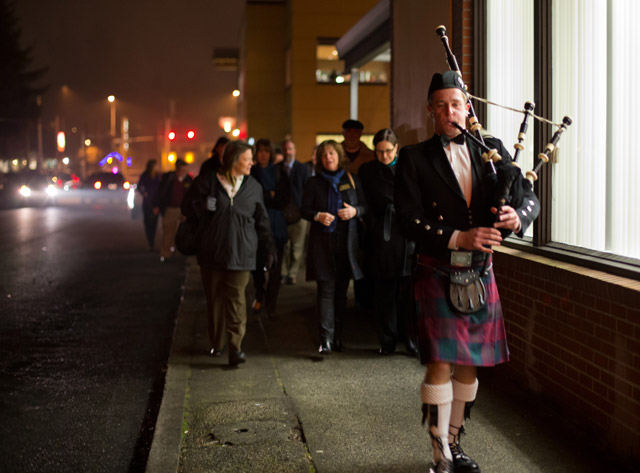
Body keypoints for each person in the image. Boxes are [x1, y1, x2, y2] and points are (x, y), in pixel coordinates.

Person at [394, 71, 539, 473]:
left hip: (480, 271)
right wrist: (459, 237)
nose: (449, 111)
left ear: (467, 107)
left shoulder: (489, 148)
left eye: (455, 104)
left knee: (470, 361)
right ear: (430, 112)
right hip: (438, 267)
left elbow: (530, 199)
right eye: (440, 105)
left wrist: (515, 217)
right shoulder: (414, 157)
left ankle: (454, 441)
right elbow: (407, 220)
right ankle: (439, 449)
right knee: (441, 360)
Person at [181, 141, 276, 367]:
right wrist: (202, 205)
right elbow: (186, 207)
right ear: (234, 160)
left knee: (236, 300)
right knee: (215, 300)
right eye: (247, 158)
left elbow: (262, 221)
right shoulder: (207, 181)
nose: (252, 162)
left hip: (242, 253)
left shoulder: (253, 186)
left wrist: (269, 247)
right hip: (212, 252)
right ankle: (217, 342)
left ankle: (235, 347)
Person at [301, 140, 367, 354]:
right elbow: (304, 210)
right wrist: (317, 216)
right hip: (322, 245)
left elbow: (365, 207)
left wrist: (355, 211)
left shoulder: (352, 179)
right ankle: (326, 339)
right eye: (324, 155)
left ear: (339, 156)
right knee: (326, 291)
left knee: (341, 294)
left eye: (331, 153)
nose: (328, 157)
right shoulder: (313, 183)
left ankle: (338, 337)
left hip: (346, 245)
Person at [358, 128, 417, 357]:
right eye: (379, 152)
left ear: (397, 148)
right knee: (384, 293)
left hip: (406, 233)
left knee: (408, 294)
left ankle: (411, 340)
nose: (384, 156)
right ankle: (387, 340)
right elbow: (365, 201)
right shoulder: (368, 171)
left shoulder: (408, 167)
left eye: (388, 151)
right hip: (382, 234)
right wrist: (373, 225)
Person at [250, 139, 290, 317]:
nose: (263, 155)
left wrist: (270, 196)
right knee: (257, 264)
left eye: (266, 151)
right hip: (256, 224)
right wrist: (269, 194)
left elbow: (284, 198)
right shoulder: (251, 172)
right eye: (259, 151)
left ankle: (271, 303)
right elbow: (253, 199)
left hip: (277, 223)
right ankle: (260, 293)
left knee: (276, 265)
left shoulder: (279, 172)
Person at [280, 139, 311, 285]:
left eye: (291, 149)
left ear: (295, 150)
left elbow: (308, 190)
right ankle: (284, 272)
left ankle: (292, 274)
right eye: (286, 149)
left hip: (300, 213)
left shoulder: (303, 168)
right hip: (282, 214)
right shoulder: (277, 168)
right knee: (284, 245)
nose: (288, 152)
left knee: (297, 247)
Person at [153, 158, 193, 262]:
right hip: (170, 208)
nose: (184, 172)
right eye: (182, 170)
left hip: (183, 209)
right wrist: (157, 205)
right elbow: (160, 192)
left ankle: (180, 253)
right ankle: (165, 254)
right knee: (168, 232)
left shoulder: (188, 180)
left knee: (182, 232)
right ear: (177, 169)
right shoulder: (168, 178)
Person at [137, 159, 161, 250]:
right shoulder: (144, 175)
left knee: (154, 222)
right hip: (147, 202)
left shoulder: (158, 176)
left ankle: (152, 241)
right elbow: (139, 186)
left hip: (156, 202)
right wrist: (144, 193)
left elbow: (161, 188)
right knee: (147, 222)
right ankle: (150, 241)